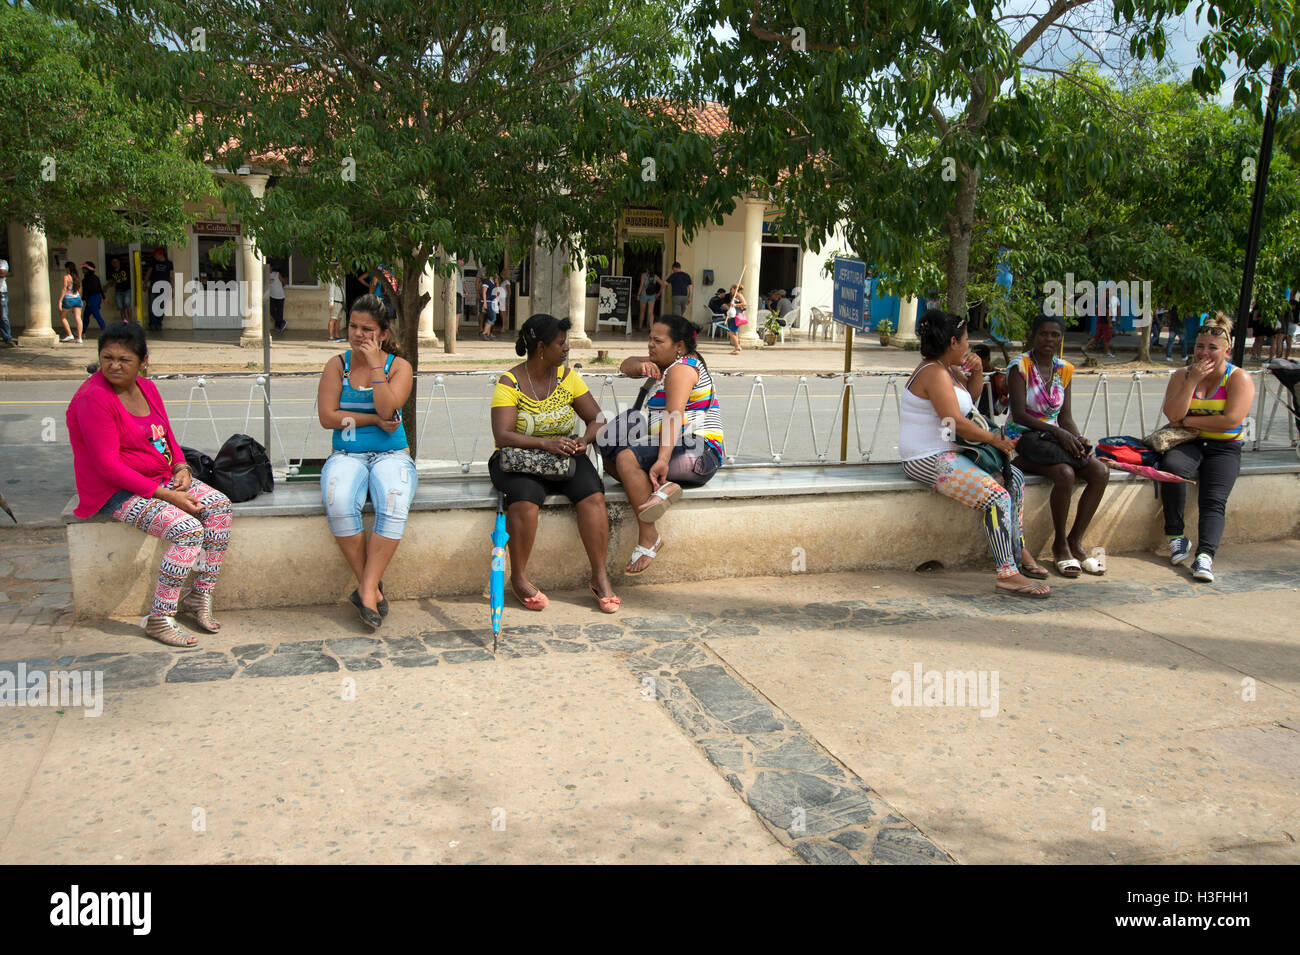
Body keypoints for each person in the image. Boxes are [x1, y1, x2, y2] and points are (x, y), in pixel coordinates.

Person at [66, 322, 233, 646]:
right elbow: (107, 466)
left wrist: (181, 466)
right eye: (107, 357)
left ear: (143, 361)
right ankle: (160, 617)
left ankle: (199, 596)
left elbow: (165, 435)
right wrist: (168, 496)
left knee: (220, 507)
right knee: (187, 530)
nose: (114, 365)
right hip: (115, 491)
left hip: (159, 479)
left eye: (124, 359)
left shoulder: (147, 388)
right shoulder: (93, 398)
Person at [898, 309, 1051, 598]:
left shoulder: (946, 369)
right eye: (966, 340)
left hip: (949, 452)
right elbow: (954, 422)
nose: (968, 346)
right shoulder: (934, 373)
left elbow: (970, 401)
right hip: (925, 457)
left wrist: (978, 371)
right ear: (953, 341)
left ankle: (1019, 550)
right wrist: (995, 439)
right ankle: (1007, 573)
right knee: (996, 496)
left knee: (1014, 478)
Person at [489, 314, 619, 613]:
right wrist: (545, 443)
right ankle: (519, 579)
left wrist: (585, 440)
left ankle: (599, 576)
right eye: (561, 343)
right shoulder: (510, 382)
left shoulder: (567, 377)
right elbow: (503, 434)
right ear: (540, 348)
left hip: (564, 457)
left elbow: (597, 418)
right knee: (524, 500)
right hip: (520, 459)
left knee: (593, 496)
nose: (566, 349)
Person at [316, 294, 417, 628]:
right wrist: (372, 420)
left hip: (391, 454)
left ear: (383, 334)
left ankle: (366, 588)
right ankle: (370, 588)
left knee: (394, 498)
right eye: (354, 327)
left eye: (367, 329)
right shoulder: (337, 365)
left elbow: (389, 408)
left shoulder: (399, 367)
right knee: (339, 498)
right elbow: (328, 417)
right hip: (347, 454)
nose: (359, 335)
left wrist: (376, 367)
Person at [604, 315, 724, 575]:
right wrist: (642, 365)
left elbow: (674, 416)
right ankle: (665, 486)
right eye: (649, 339)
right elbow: (626, 365)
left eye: (658, 341)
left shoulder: (681, 369)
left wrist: (661, 460)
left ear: (679, 346)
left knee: (626, 459)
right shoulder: (666, 365)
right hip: (681, 451)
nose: (650, 345)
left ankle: (649, 537)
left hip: (699, 453)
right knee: (610, 446)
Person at [1007, 315, 1110, 577]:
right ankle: (1060, 545)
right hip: (1023, 439)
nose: (1049, 340)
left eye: (1055, 335)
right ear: (1034, 335)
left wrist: (1076, 437)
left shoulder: (1064, 369)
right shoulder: (1020, 367)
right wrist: (1060, 434)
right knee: (1065, 473)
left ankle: (1076, 541)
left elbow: (1065, 417)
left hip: (1054, 441)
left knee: (1100, 472)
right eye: (1044, 334)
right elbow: (1019, 415)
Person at [1158, 312, 1255, 583]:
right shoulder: (1182, 375)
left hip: (1225, 447)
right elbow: (1172, 414)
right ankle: (1177, 537)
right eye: (1200, 346)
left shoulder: (1239, 378)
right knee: (1172, 470)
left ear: (1227, 349)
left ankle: (1205, 555)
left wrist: (1188, 420)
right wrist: (1191, 382)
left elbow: (1232, 421)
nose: (1204, 352)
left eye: (1212, 347)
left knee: (1213, 499)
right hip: (1188, 442)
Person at [971, 344, 1008, 419]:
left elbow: (1002, 405)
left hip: (986, 416)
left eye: (979, 360)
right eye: (973, 360)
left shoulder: (996, 375)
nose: (976, 363)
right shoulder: (967, 373)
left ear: (988, 359)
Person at [146, 247, 173, 331]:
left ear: (160, 254)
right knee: (152, 306)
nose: (154, 256)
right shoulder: (153, 262)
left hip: (165, 287)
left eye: (155, 255)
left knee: (161, 306)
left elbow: (171, 276)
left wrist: (172, 289)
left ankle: (158, 323)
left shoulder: (169, 263)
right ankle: (152, 324)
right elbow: (148, 272)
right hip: (154, 286)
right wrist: (144, 283)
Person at [708, 287, 740, 353]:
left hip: (714, 316)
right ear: (722, 294)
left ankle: (737, 346)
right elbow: (728, 308)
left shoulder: (713, 298)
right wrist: (732, 306)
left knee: (733, 331)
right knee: (731, 331)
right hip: (718, 317)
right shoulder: (719, 300)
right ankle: (737, 346)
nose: (725, 295)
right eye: (724, 294)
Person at [59, 261, 84, 343]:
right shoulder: (77, 277)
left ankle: (70, 335)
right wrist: (80, 299)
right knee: (78, 318)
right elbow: (79, 289)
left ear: (67, 268)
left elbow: (64, 289)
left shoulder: (66, 277)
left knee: (62, 316)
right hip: (77, 298)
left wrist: (60, 300)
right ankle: (79, 338)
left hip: (68, 299)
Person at [80, 261, 106, 333]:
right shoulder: (96, 278)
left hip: (92, 299)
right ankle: (83, 332)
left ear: (87, 269)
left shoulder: (85, 280)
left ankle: (105, 331)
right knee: (86, 316)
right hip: (97, 298)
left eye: (83, 268)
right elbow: (100, 288)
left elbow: (86, 290)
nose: (82, 270)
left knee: (96, 315)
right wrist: (104, 298)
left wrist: (83, 299)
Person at [108, 256, 132, 323]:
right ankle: (124, 322)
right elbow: (111, 281)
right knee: (121, 307)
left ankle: (130, 321)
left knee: (128, 304)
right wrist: (106, 287)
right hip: (118, 291)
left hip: (127, 289)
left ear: (119, 262)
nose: (115, 263)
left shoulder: (125, 269)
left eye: (116, 262)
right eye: (113, 262)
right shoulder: (112, 272)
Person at [326, 274, 345, 342]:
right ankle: (331, 337)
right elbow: (331, 291)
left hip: (340, 302)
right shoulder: (333, 279)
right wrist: (331, 302)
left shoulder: (339, 280)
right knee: (333, 319)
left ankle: (337, 336)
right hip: (336, 301)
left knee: (338, 320)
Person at [268, 267, 287, 333]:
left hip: (280, 296)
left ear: (271, 268)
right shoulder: (265, 275)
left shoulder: (276, 274)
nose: (268, 269)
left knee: (280, 312)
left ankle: (278, 327)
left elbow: (284, 282)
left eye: (269, 267)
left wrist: (280, 288)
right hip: (272, 296)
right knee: (271, 311)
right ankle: (282, 321)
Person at [480, 273, 498, 340]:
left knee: (491, 318)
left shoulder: (493, 282)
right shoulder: (486, 282)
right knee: (492, 318)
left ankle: (488, 333)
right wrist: (485, 303)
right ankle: (484, 333)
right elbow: (484, 292)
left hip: (492, 301)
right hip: (488, 302)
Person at [0, 255, 12, 346]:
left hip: (1, 292)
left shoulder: (3, 262)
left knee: (4, 317)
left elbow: (3, 273)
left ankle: (7, 338)